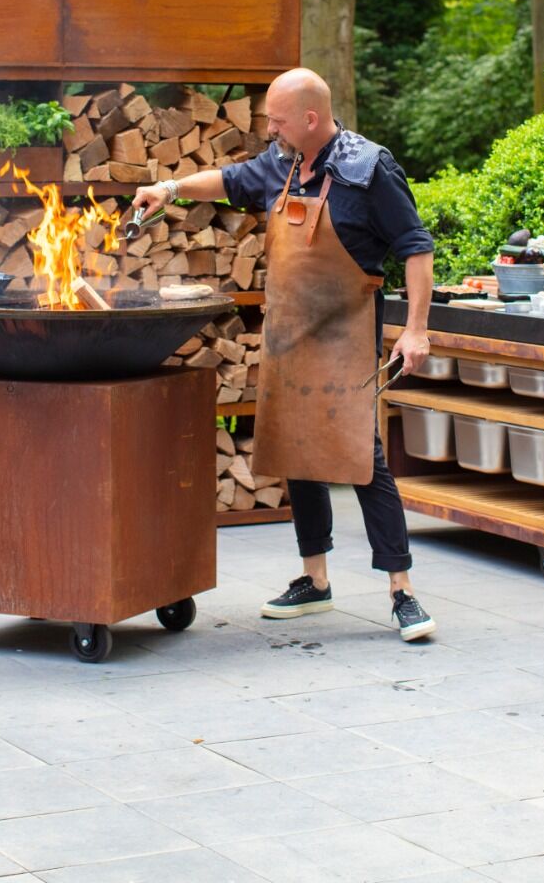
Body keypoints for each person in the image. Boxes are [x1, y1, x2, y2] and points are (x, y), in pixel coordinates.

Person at [129, 68, 438, 640]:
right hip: (288, 335)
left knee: (361, 459)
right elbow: (225, 181)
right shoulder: (281, 162)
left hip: (346, 335)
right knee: (297, 449)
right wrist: (168, 190)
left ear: (311, 119)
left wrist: (415, 329)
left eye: (277, 118)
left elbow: (416, 248)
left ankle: (402, 592)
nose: (269, 126)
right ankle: (314, 581)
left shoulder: (369, 169)